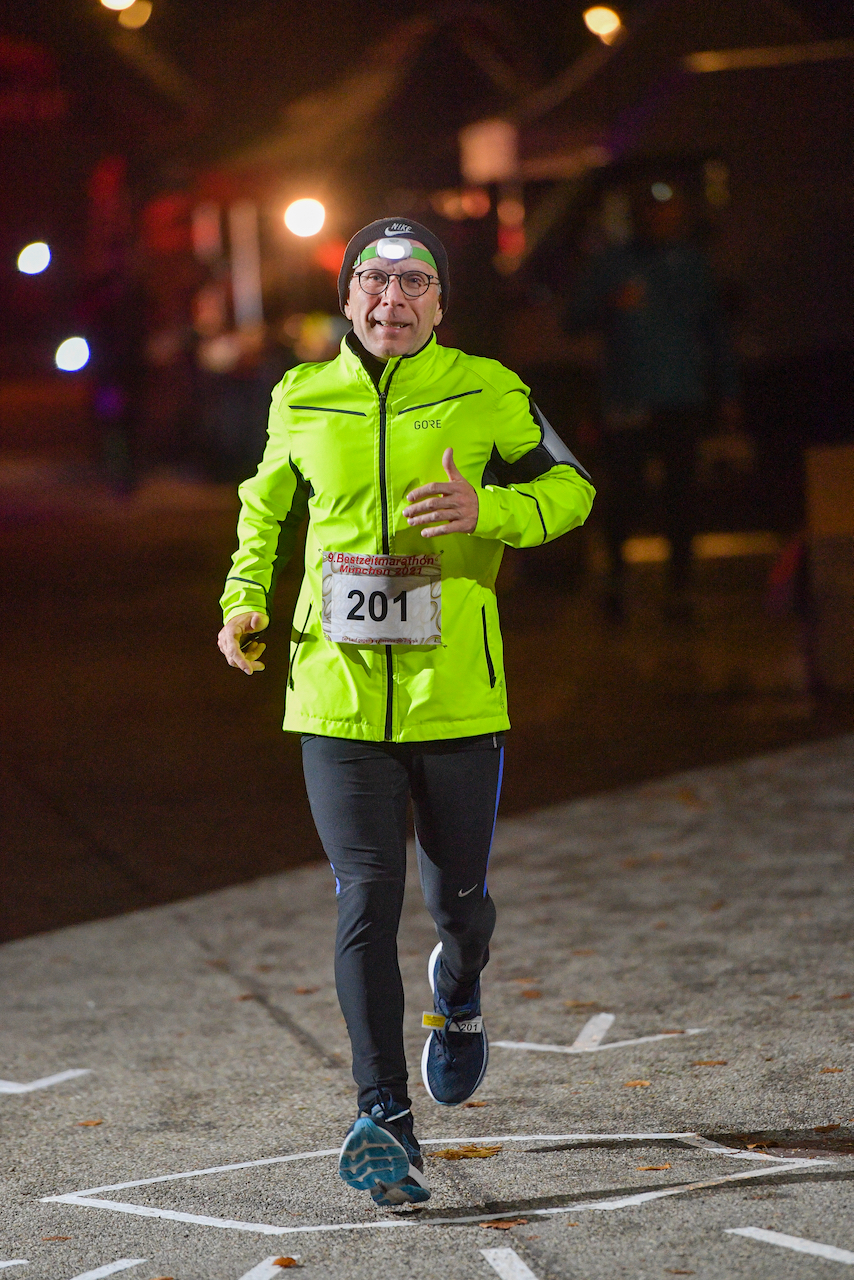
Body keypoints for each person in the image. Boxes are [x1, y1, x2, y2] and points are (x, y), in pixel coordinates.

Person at [217, 217, 594, 1208]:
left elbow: (575, 487)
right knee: (362, 895)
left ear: (441, 301)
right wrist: (242, 597)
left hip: (454, 696)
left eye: (413, 283)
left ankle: (457, 992)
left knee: (456, 900)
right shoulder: (301, 393)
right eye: (372, 282)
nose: (392, 300)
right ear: (345, 298)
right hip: (334, 697)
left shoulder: (489, 389)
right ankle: (383, 1115)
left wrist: (492, 514)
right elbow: (262, 508)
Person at [566, 184, 740, 619]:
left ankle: (680, 586)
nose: (661, 218)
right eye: (653, 210)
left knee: (682, 493)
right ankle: (617, 583)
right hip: (628, 396)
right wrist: (610, 304)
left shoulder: (693, 265)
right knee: (624, 491)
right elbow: (573, 318)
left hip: (681, 395)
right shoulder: (614, 264)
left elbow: (715, 331)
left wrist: (728, 391)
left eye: (669, 209)